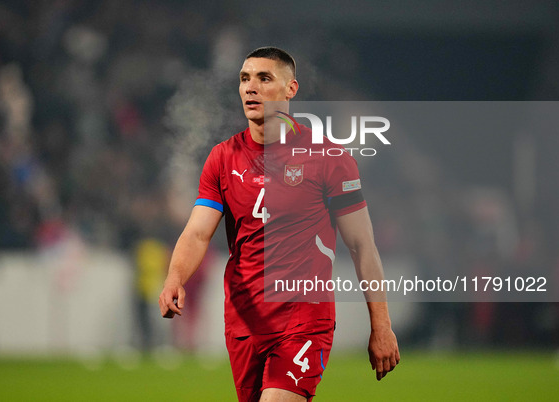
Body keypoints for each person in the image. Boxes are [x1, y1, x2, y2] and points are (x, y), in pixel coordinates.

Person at [159, 46, 400, 402]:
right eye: (244, 79)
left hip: (303, 318)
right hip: (244, 320)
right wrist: (175, 277)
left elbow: (362, 245)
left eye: (263, 78)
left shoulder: (330, 159)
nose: (250, 88)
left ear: (291, 89)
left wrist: (381, 324)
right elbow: (197, 232)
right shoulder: (222, 158)